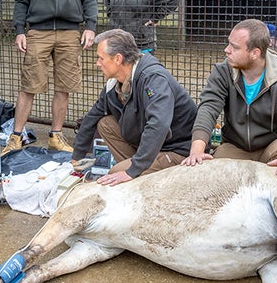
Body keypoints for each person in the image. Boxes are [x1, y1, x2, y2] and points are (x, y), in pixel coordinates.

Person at [2, 0, 98, 156]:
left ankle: (56, 135)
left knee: (63, 86)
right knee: (29, 85)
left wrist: (90, 25)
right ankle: (16, 136)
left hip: (69, 30)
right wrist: (20, 30)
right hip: (38, 30)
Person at [71, 29, 197, 186]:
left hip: (176, 150)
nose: (97, 63)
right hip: (154, 145)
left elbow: (159, 125)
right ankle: (141, 170)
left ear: (118, 59)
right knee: (106, 124)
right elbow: (93, 116)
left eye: (100, 58)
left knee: (115, 174)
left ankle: (138, 171)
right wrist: (77, 156)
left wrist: (131, 170)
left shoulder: (153, 78)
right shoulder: (115, 82)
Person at [182, 19, 277, 177]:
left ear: (255, 53)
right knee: (211, 174)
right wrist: (196, 151)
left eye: (234, 47)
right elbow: (208, 108)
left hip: (271, 146)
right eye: (229, 44)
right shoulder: (222, 72)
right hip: (235, 146)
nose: (227, 50)